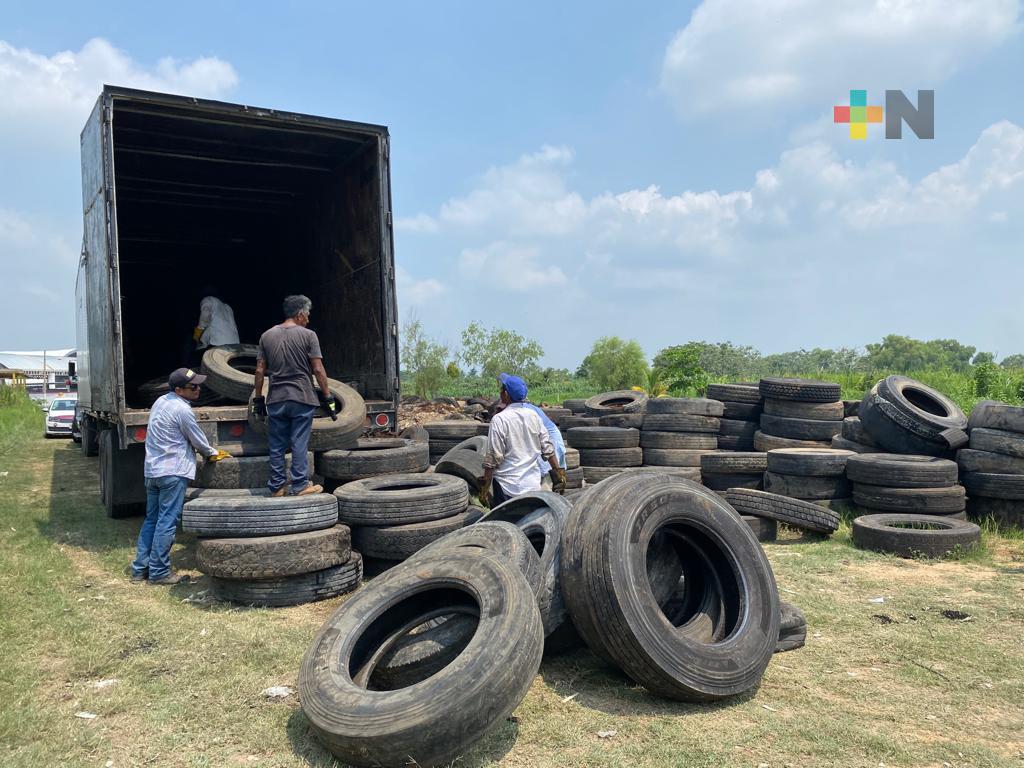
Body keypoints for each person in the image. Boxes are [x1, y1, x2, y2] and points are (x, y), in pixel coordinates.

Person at [130, 367, 230, 585]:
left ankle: (140, 569)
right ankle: (159, 573)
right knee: (167, 522)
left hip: (153, 471)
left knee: (152, 520)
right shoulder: (182, 411)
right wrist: (212, 453)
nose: (198, 389)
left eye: (198, 384)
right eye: (193, 386)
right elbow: (197, 439)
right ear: (179, 389)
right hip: (173, 472)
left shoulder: (160, 402)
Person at [251, 295, 338, 497]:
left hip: (276, 399)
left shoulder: (266, 336)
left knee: (276, 444)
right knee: (299, 441)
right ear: (300, 314)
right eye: (307, 314)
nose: (308, 318)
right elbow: (317, 369)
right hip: (302, 397)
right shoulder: (309, 335)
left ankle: (277, 487)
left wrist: (258, 399)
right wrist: (328, 396)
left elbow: (259, 371)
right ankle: (300, 485)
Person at [479, 373, 566, 507]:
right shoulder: (534, 416)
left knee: (507, 526)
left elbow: (493, 457)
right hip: (532, 486)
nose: (500, 392)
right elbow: (548, 448)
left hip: (507, 488)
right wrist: (558, 473)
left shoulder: (500, 419)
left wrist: (484, 489)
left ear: (506, 394)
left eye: (502, 389)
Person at [522, 401, 567, 489]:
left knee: (547, 477)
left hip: (549, 436)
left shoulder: (524, 410)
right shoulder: (521, 407)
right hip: (547, 435)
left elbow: (545, 443)